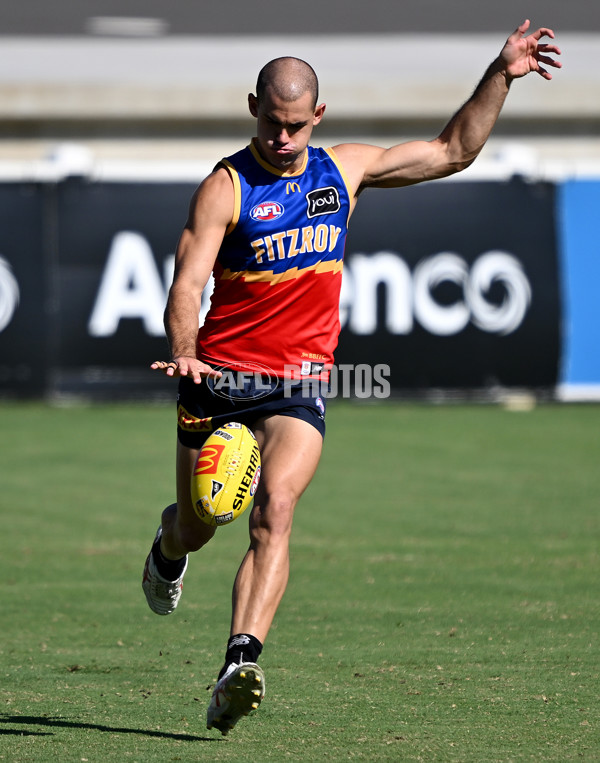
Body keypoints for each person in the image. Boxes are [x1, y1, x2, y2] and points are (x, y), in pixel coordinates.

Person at [143, 20, 560, 736]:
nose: (282, 139)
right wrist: (185, 346)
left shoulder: (343, 171)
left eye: (296, 127)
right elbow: (187, 285)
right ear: (253, 109)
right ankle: (167, 547)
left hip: (297, 383)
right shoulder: (225, 186)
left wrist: (501, 72)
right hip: (217, 381)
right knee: (200, 522)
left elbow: (452, 150)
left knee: (275, 508)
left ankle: (238, 662)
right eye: (272, 124)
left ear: (319, 117)